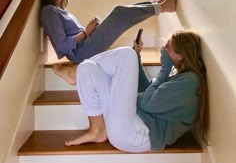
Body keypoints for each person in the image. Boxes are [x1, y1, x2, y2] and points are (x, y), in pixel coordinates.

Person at [56, 29, 209, 152]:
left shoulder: (190, 82)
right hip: (127, 123)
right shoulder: (179, 77)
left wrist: (165, 67)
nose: (163, 49)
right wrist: (137, 57)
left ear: (181, 55)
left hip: (137, 135)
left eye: (167, 46)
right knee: (88, 69)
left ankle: (74, 72)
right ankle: (97, 130)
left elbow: (148, 102)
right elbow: (147, 88)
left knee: (125, 55)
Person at [40, 0, 177, 65]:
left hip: (85, 44)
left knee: (121, 12)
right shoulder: (48, 12)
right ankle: (163, 7)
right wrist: (86, 32)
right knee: (118, 12)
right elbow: (62, 45)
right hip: (81, 52)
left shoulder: (59, 10)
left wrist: (91, 29)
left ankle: (159, 3)